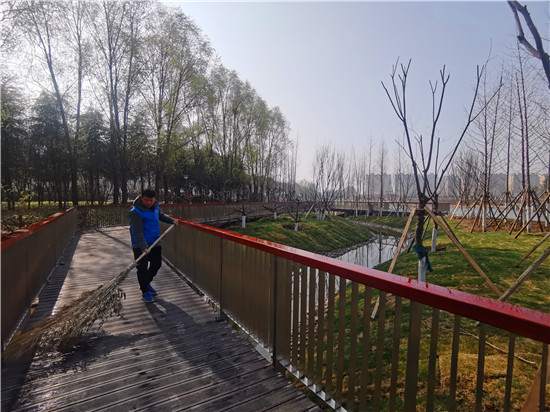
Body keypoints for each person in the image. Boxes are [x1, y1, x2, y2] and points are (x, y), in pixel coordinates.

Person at [129, 188, 178, 303]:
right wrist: (143, 247)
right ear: (141, 198)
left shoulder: (155, 206)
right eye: (146, 200)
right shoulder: (136, 212)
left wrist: (171, 220)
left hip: (155, 242)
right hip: (140, 245)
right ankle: (145, 291)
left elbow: (159, 215)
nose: (148, 203)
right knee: (142, 268)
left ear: (154, 199)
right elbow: (137, 232)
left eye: (151, 200)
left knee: (156, 264)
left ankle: (146, 283)